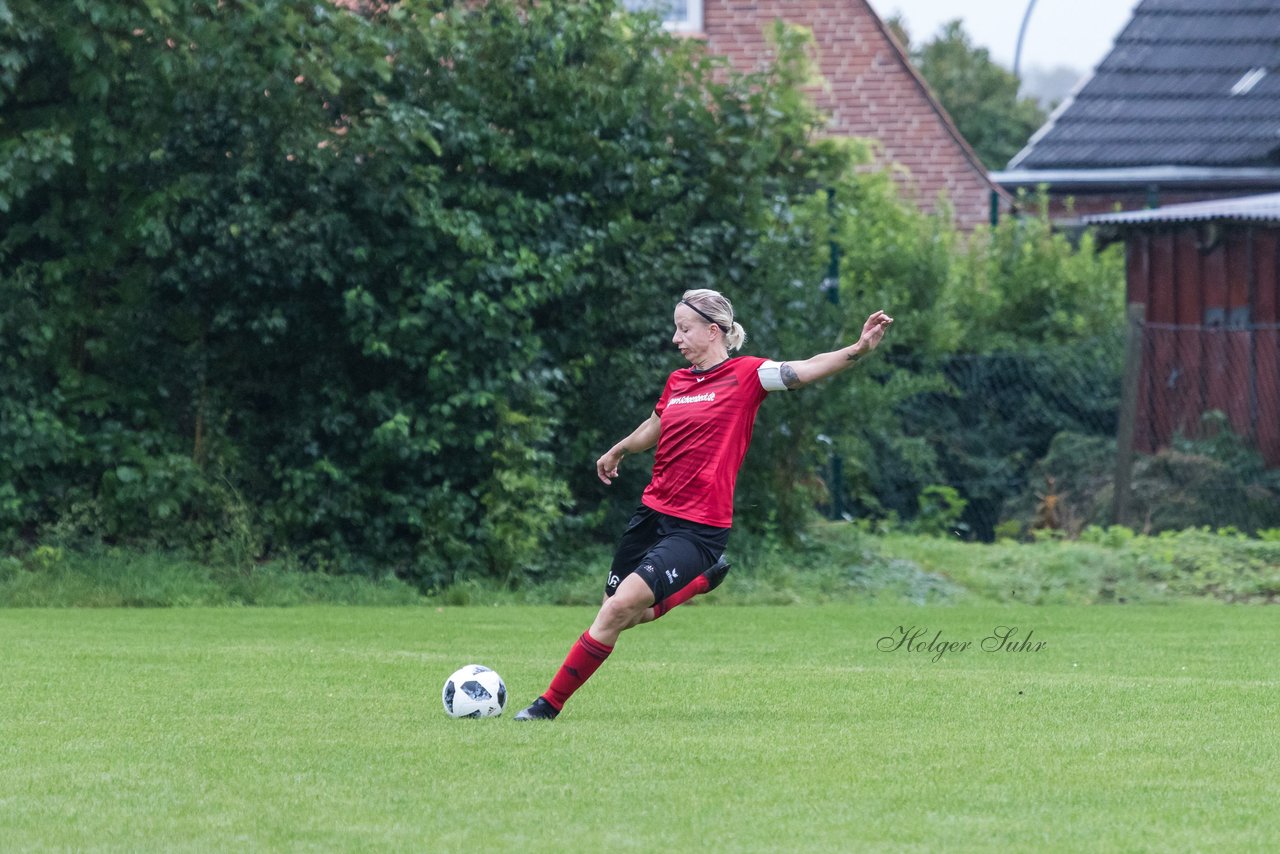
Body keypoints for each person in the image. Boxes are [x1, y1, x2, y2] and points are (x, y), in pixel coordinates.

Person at [513, 288, 893, 720]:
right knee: (616, 612)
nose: (676, 338)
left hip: (697, 528)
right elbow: (654, 425)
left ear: (713, 331)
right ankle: (697, 584)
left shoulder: (747, 375)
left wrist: (858, 349)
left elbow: (803, 370)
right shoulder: (677, 382)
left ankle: (546, 706)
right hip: (650, 513)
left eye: (684, 328)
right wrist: (619, 449)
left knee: (618, 610)